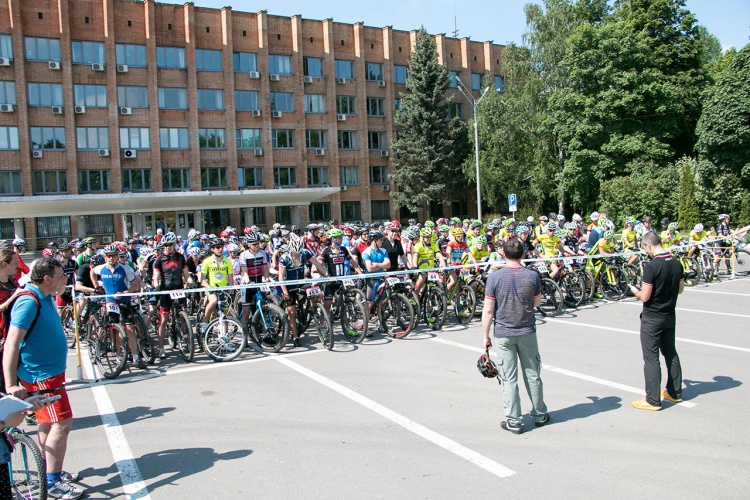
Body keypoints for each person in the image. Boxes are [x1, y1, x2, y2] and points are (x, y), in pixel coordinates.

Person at [3, 257, 85, 499]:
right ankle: (52, 481)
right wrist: (10, 384)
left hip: (50, 374)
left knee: (47, 423)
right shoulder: (29, 302)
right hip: (40, 377)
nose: (64, 279)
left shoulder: (46, 296)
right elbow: (12, 344)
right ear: (47, 278)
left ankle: (49, 471)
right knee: (63, 423)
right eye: (60, 276)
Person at [481, 238, 548, 434]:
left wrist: (485, 336)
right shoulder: (533, 276)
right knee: (533, 375)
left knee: (509, 378)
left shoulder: (495, 277)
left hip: (503, 332)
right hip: (527, 330)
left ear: (503, 254)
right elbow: (537, 302)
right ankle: (539, 414)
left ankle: (514, 420)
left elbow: (488, 310)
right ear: (523, 254)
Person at [629, 231, 684, 411]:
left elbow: (645, 296)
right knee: (671, 353)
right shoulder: (676, 263)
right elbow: (681, 289)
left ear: (648, 245)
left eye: (645, 248)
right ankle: (675, 392)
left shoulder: (652, 266)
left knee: (651, 358)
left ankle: (652, 399)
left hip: (652, 318)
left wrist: (634, 290)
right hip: (669, 315)